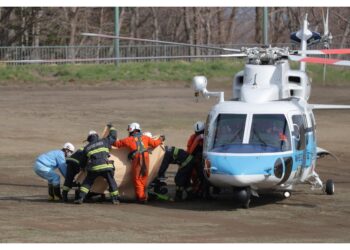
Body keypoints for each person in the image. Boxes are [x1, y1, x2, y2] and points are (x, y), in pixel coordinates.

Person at [113, 122, 164, 204]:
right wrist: (160, 139)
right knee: (144, 177)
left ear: (132, 130)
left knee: (137, 179)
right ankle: (144, 195)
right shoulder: (145, 138)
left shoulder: (129, 140)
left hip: (138, 158)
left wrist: (110, 138)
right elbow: (155, 144)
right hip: (146, 157)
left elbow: (117, 144)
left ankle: (141, 198)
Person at [74, 124, 120, 205]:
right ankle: (115, 199)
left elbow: (83, 162)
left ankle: (80, 198)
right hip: (106, 166)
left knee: (87, 182)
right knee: (111, 181)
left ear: (89, 139)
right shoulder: (104, 141)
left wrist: (82, 168)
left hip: (94, 168)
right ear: (96, 136)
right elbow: (113, 136)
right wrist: (111, 127)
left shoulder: (86, 148)